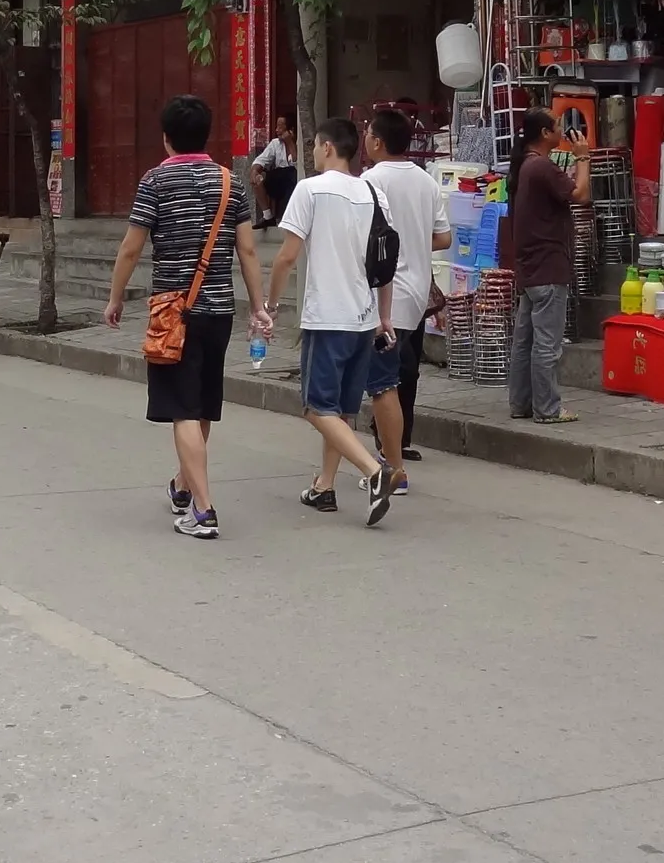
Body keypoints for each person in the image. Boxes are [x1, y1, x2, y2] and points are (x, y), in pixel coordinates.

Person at [105, 94, 262, 541]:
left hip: (174, 311)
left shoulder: (156, 181)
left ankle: (204, 509)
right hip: (220, 311)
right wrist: (259, 307)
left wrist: (116, 298)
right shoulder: (232, 183)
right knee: (202, 404)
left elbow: (132, 247)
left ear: (166, 138)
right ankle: (182, 485)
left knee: (183, 409)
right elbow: (247, 250)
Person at [255, 116, 395, 528]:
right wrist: (383, 317)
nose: (312, 153)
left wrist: (270, 303)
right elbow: (387, 263)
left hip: (327, 316)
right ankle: (324, 487)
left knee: (317, 408)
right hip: (363, 318)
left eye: (315, 145)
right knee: (341, 411)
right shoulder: (373, 193)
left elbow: (286, 256)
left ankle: (374, 472)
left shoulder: (310, 189)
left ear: (329, 147)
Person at [361, 109, 451, 495]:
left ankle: (391, 465)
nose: (364, 138)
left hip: (384, 295)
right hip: (416, 295)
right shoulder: (427, 181)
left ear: (378, 141)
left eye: (368, 133)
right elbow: (443, 238)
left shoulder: (369, 181)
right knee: (400, 375)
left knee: (383, 384)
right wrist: (412, 240)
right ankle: (393, 451)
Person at [501, 108, 590, 423]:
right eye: (557, 127)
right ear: (544, 134)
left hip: (530, 268)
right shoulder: (541, 167)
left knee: (525, 342)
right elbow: (580, 194)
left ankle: (521, 404)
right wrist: (582, 158)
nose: (561, 131)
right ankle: (548, 409)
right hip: (548, 267)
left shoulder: (524, 165)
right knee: (547, 345)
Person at [249, 116, 296, 229]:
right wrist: (255, 171)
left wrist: (289, 142)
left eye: (281, 127)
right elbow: (261, 160)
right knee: (259, 180)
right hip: (279, 177)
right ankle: (268, 217)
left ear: (291, 130)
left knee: (292, 176)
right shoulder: (275, 143)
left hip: (294, 177)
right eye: (277, 127)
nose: (277, 130)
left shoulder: (299, 142)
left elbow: (296, 163)